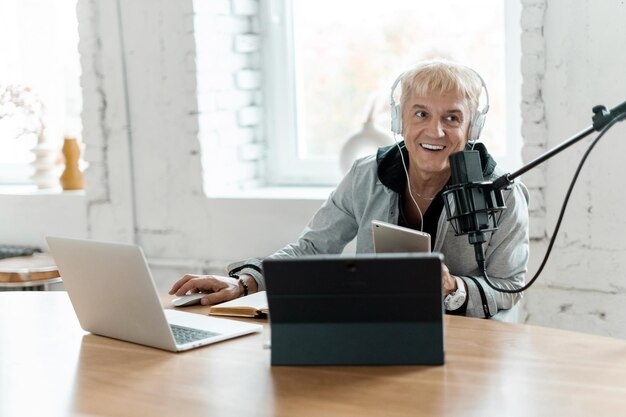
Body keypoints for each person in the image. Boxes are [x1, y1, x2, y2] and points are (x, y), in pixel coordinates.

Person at [169, 59, 529, 321]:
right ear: (399, 120)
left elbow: (509, 288)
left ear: (473, 128)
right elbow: (311, 248)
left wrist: (454, 289)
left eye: (452, 118)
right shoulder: (367, 175)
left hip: (467, 344)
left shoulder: (504, 193)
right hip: (378, 330)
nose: (435, 132)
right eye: (420, 114)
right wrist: (246, 282)